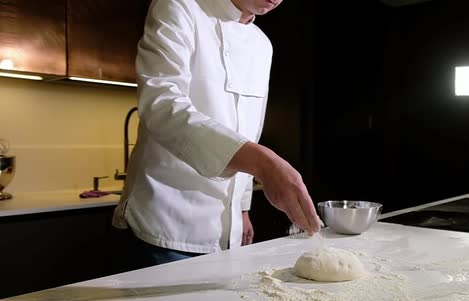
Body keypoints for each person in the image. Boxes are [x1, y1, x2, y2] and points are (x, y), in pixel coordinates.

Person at [112, 0, 321, 268]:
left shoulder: (261, 44)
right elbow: (162, 106)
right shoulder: (179, 7)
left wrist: (242, 207)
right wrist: (263, 164)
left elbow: (250, 128)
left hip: (228, 232)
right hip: (165, 224)